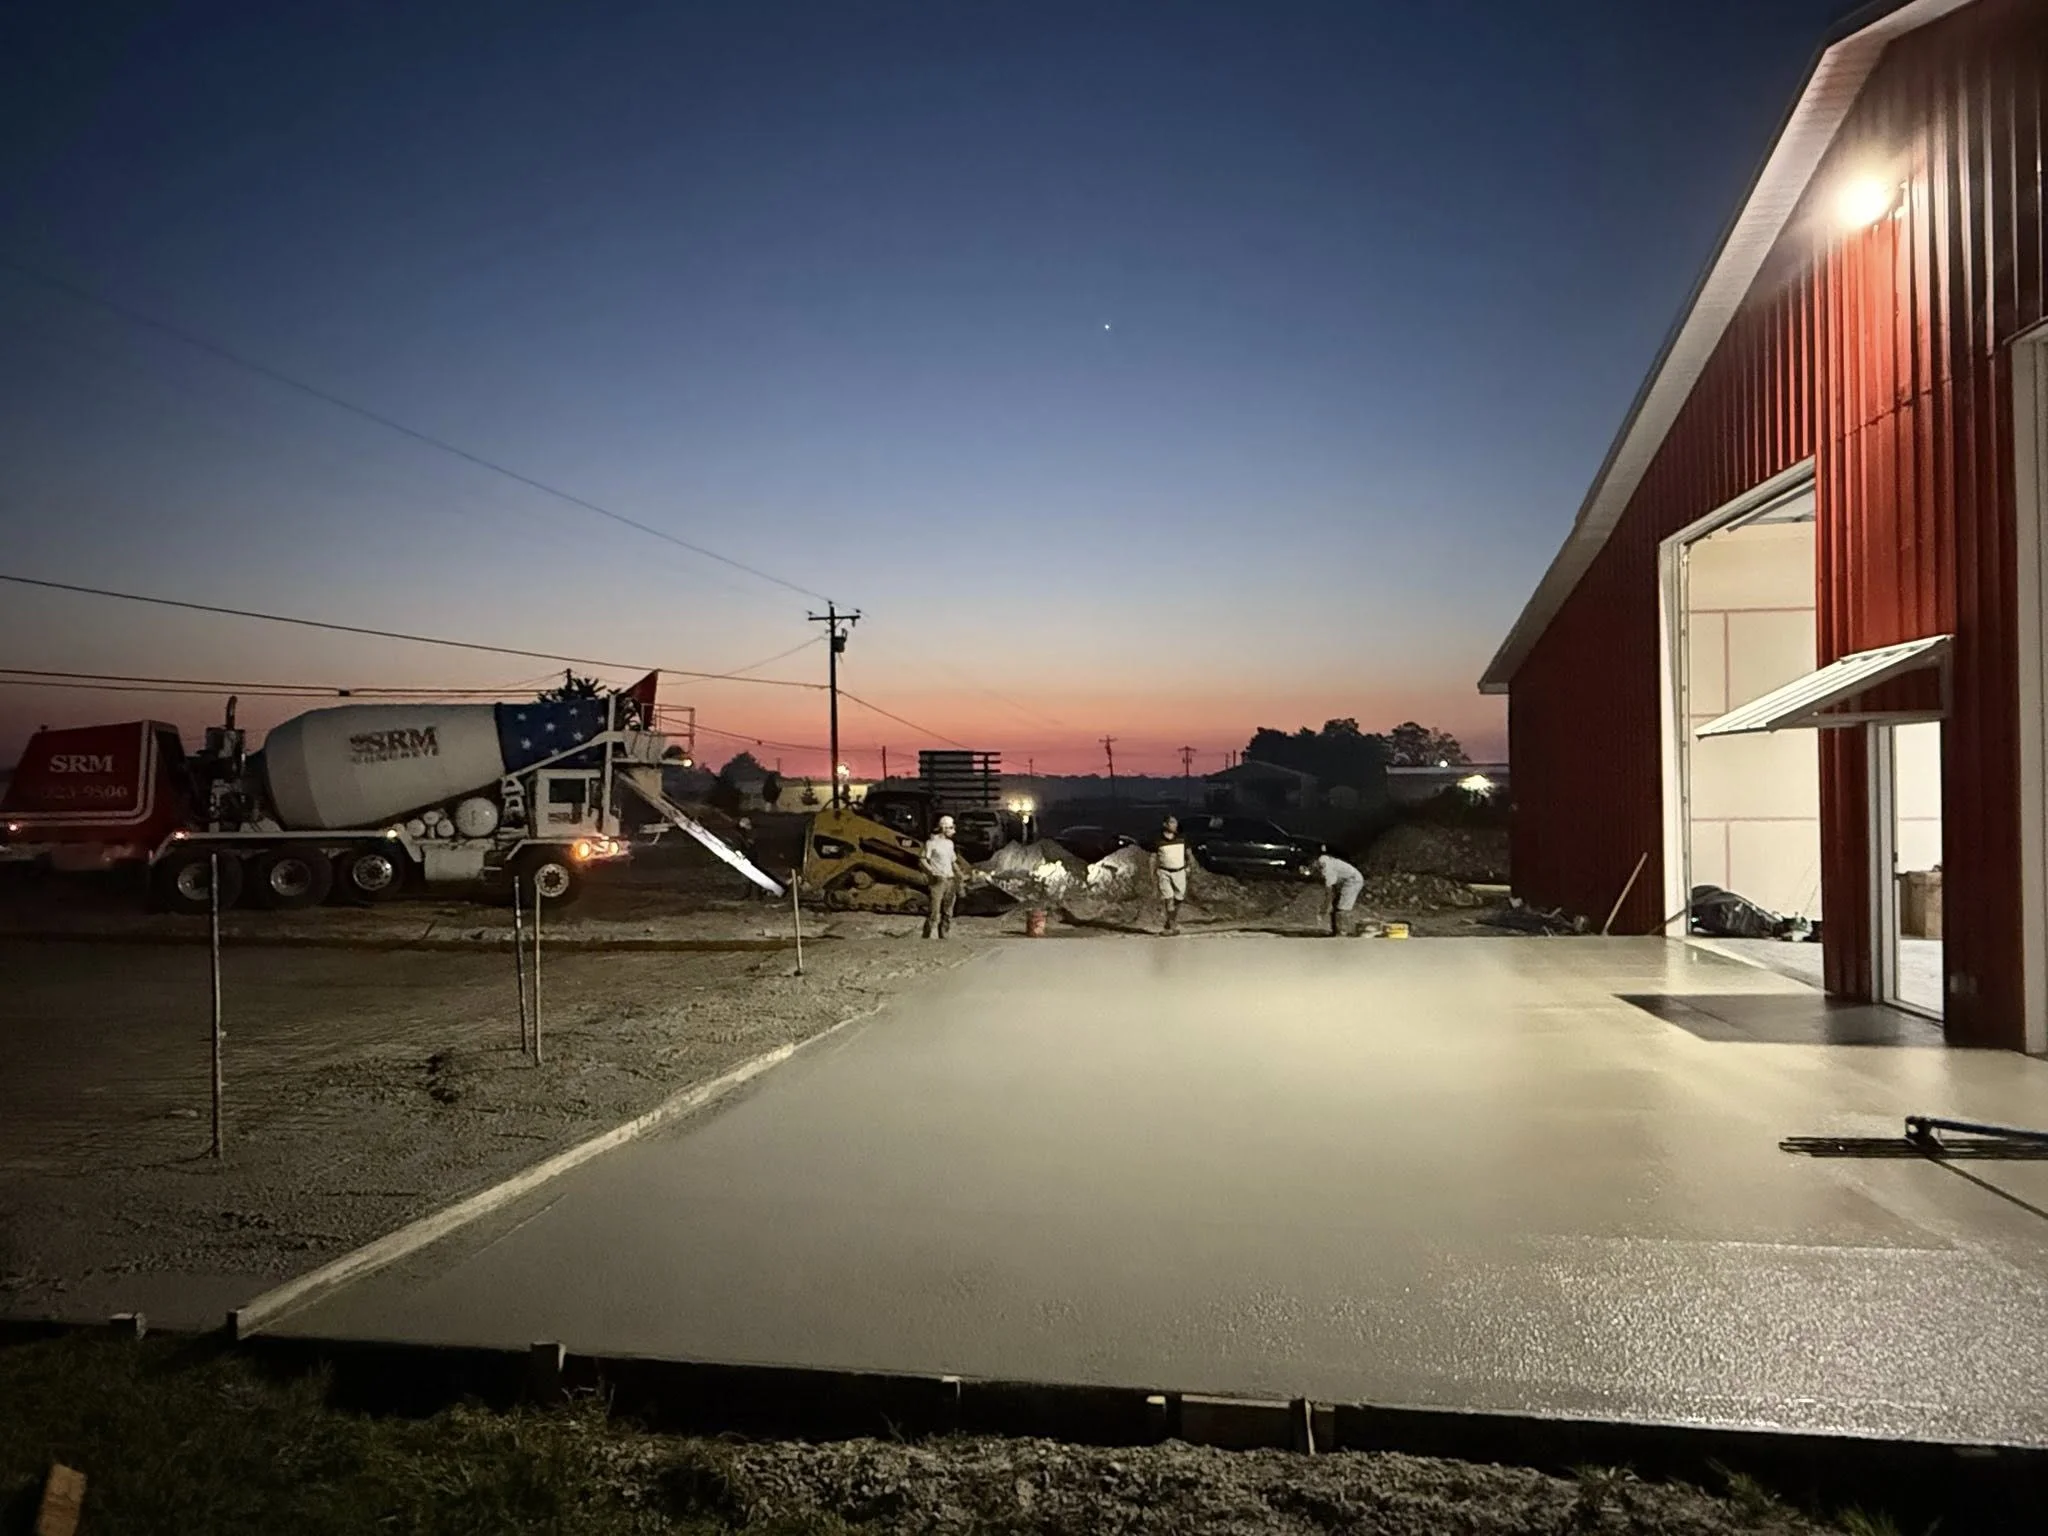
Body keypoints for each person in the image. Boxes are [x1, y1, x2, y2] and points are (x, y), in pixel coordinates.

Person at [921, 813, 962, 939]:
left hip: (950, 880)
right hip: (938, 881)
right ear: (944, 828)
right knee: (934, 911)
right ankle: (926, 936)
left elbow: (952, 861)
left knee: (948, 911)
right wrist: (931, 871)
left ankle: (944, 934)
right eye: (951, 828)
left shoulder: (950, 844)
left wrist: (960, 874)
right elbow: (922, 859)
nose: (953, 831)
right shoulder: (931, 843)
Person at [1312, 850, 1366, 936]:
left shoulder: (1328, 872)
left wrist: (1323, 910)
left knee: (1342, 908)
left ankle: (1343, 932)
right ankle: (1336, 930)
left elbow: (1329, 895)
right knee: (1336, 904)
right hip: (1348, 880)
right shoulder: (1323, 859)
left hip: (1353, 880)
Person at [1153, 815, 1192, 935]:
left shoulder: (1182, 839)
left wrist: (1189, 867)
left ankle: (1171, 920)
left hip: (1179, 872)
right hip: (1164, 872)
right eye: (1172, 822)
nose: (1175, 825)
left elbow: (1189, 854)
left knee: (1178, 899)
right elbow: (1153, 858)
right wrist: (1153, 874)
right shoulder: (1158, 840)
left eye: (1176, 822)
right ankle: (1171, 926)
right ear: (1165, 824)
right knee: (1169, 898)